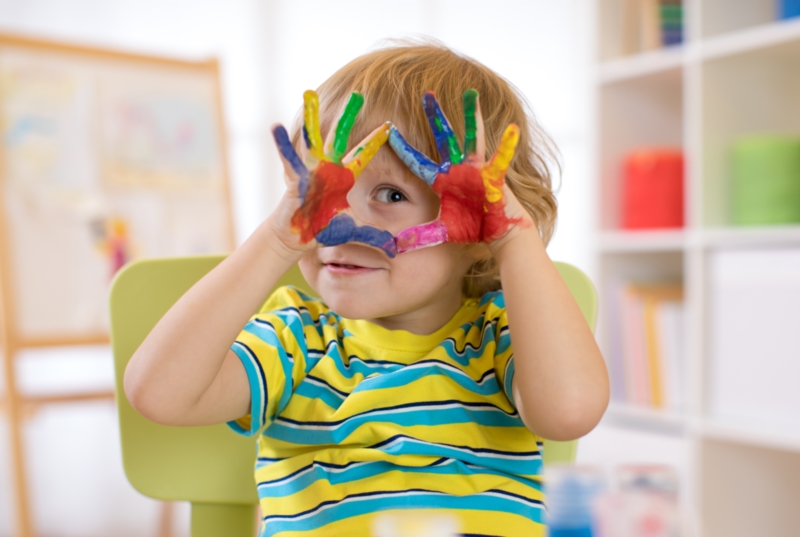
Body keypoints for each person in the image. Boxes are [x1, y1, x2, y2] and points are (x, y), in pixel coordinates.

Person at [124, 41, 609, 537]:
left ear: (478, 230)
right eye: (322, 190)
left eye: (392, 194)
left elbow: (570, 411)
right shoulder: (296, 338)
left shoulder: (500, 333)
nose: (343, 219)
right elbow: (160, 394)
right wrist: (277, 238)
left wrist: (512, 236)